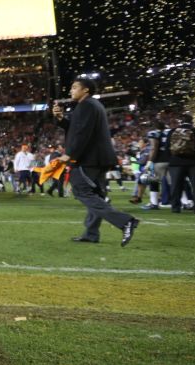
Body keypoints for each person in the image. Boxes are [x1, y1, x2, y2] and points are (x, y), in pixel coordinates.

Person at [52, 75, 139, 245]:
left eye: (75, 87)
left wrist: (70, 154)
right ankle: (91, 233)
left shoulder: (86, 106)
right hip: (99, 159)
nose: (71, 90)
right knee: (97, 196)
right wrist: (61, 119)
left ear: (86, 90)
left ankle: (125, 221)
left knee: (81, 191)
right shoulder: (91, 105)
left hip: (88, 159)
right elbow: (76, 128)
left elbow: (82, 133)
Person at [166, 112, 195, 214]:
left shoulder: (172, 132)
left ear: (180, 122)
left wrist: (172, 159)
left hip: (176, 163)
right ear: (192, 121)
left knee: (176, 186)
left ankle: (175, 208)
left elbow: (167, 148)